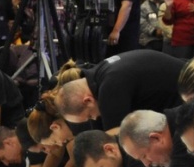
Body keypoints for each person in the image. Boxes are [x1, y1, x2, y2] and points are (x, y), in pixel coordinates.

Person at [55, 49, 184, 131]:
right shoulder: (99, 73)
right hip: (185, 81)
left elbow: (118, 145)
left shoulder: (109, 89)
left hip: (193, 92)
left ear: (88, 100)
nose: (94, 118)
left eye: (89, 116)